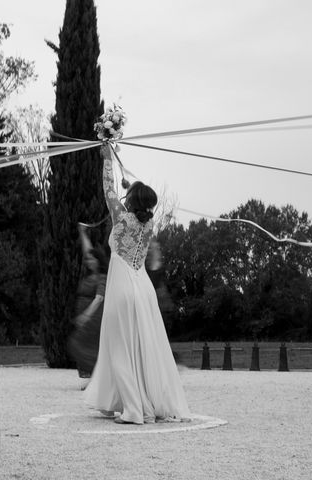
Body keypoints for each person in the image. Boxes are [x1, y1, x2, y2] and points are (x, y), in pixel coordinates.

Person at [84, 144, 191, 424]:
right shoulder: (148, 224)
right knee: (141, 348)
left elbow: (108, 188)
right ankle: (114, 401)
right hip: (142, 288)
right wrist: (131, 187)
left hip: (122, 288)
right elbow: (136, 201)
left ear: (130, 201)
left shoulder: (121, 216)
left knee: (118, 346)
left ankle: (133, 409)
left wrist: (107, 158)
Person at [67, 223, 108, 389]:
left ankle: (99, 379)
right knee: (84, 347)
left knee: (80, 345)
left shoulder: (103, 277)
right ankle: (97, 379)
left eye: (92, 260)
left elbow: (99, 298)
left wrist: (85, 316)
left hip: (95, 318)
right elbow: (88, 251)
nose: (88, 261)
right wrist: (82, 233)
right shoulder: (93, 274)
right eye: (88, 259)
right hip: (88, 315)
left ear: (98, 261)